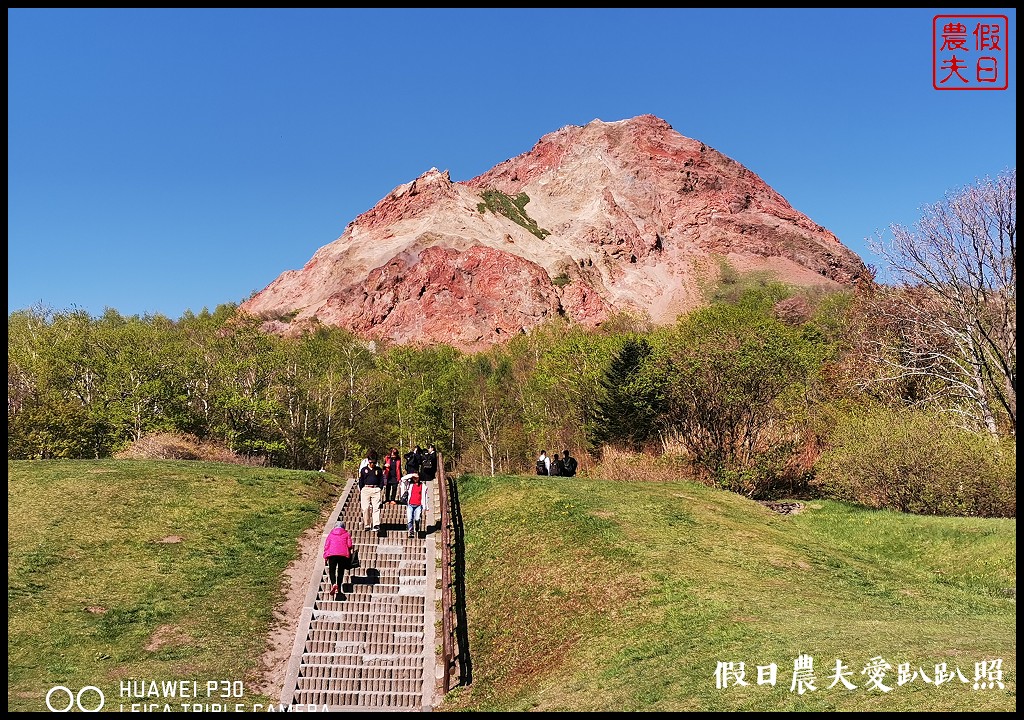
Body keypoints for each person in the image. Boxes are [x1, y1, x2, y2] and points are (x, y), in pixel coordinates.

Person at [323, 520, 354, 600]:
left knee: (332, 570)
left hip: (332, 554)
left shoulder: (330, 534)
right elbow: (350, 545)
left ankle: (333, 584)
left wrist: (325, 556)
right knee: (340, 571)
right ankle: (339, 587)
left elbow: (326, 545)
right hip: (343, 555)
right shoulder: (346, 534)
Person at [358, 456, 386, 532]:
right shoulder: (364, 470)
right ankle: (367, 524)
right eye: (371, 463)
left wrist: (380, 488)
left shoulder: (378, 470)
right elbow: (361, 480)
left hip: (376, 489)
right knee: (365, 508)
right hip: (366, 489)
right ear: (368, 462)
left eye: (374, 463)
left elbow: (381, 479)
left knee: (376, 507)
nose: (372, 464)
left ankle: (376, 524)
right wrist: (362, 489)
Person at [405, 473, 430, 537]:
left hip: (418, 505)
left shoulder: (423, 485)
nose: (415, 479)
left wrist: (426, 506)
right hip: (410, 505)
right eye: (414, 478)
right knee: (409, 519)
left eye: (417, 477)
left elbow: (425, 496)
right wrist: (411, 475)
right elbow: (402, 479)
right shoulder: (409, 484)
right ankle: (411, 532)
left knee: (417, 518)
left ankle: (417, 526)